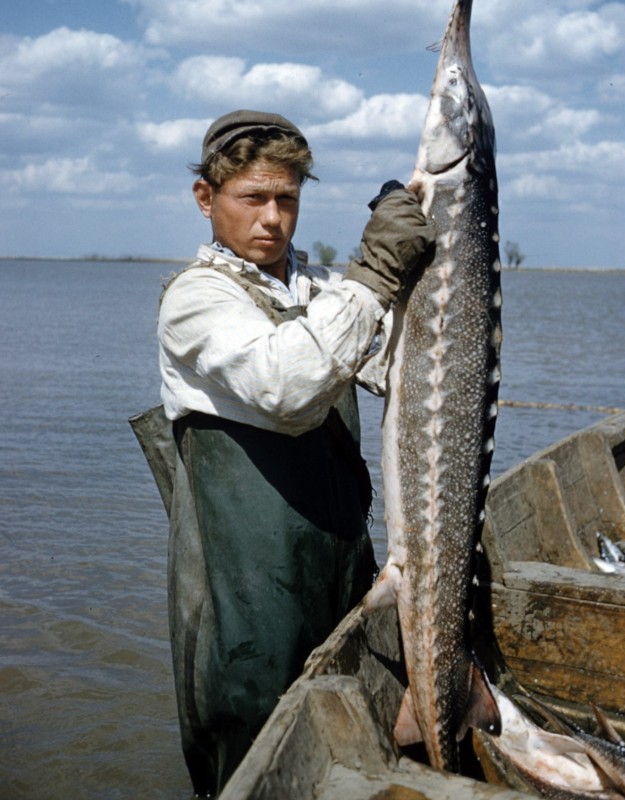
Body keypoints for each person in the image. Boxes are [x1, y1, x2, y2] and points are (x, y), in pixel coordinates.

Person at [156, 109, 434, 797]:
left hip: (339, 569)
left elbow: (375, 369)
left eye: (287, 198)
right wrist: (373, 273)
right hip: (244, 601)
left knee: (350, 728)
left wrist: (421, 283)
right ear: (206, 199)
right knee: (251, 746)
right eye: (252, 198)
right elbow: (288, 382)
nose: (273, 218)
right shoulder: (197, 298)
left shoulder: (311, 289)